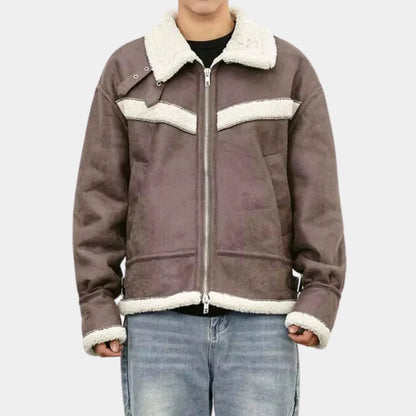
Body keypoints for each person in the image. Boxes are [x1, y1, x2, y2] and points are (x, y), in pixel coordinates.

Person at [72, 1, 346, 414]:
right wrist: (97, 303)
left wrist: (320, 295)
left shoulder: (287, 69)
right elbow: (99, 195)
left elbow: (317, 196)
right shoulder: (127, 70)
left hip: (263, 325)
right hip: (158, 325)